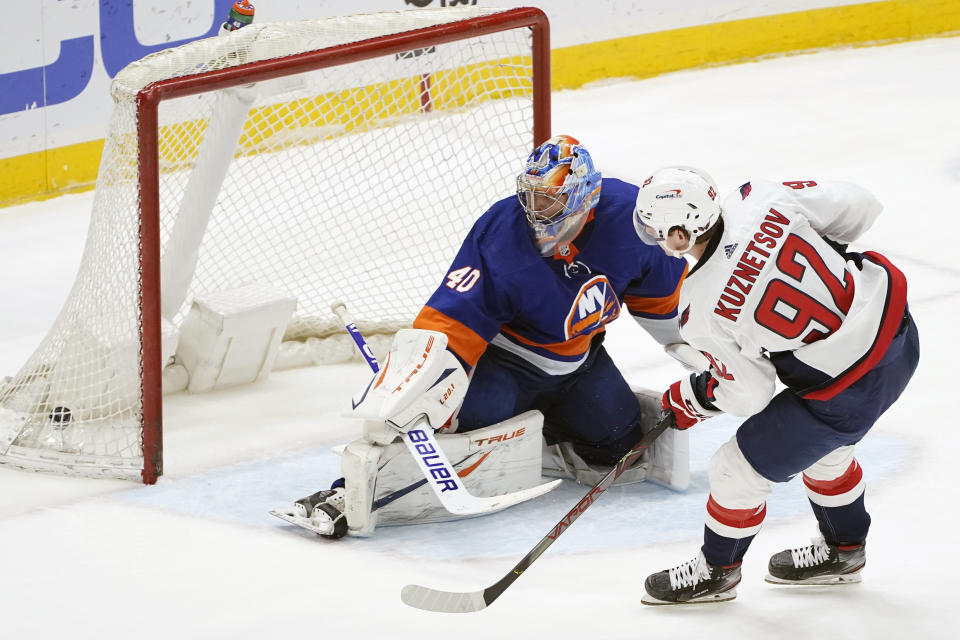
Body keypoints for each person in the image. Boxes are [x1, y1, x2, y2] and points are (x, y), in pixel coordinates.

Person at [280, 136, 698, 538]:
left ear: (587, 197)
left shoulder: (634, 221)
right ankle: (343, 492)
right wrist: (415, 387)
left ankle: (536, 440)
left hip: (578, 365)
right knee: (443, 429)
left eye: (550, 199)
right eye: (532, 196)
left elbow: (664, 308)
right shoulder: (501, 232)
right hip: (504, 365)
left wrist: (706, 360)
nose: (537, 210)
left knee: (617, 446)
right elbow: (451, 324)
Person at [631, 167, 919, 604]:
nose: (653, 237)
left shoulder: (699, 307)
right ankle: (843, 552)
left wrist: (695, 397)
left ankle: (717, 573)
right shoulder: (758, 196)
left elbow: (750, 393)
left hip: (846, 391)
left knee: (734, 470)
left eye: (655, 229)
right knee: (825, 450)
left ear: (678, 236)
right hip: (898, 335)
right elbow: (860, 205)